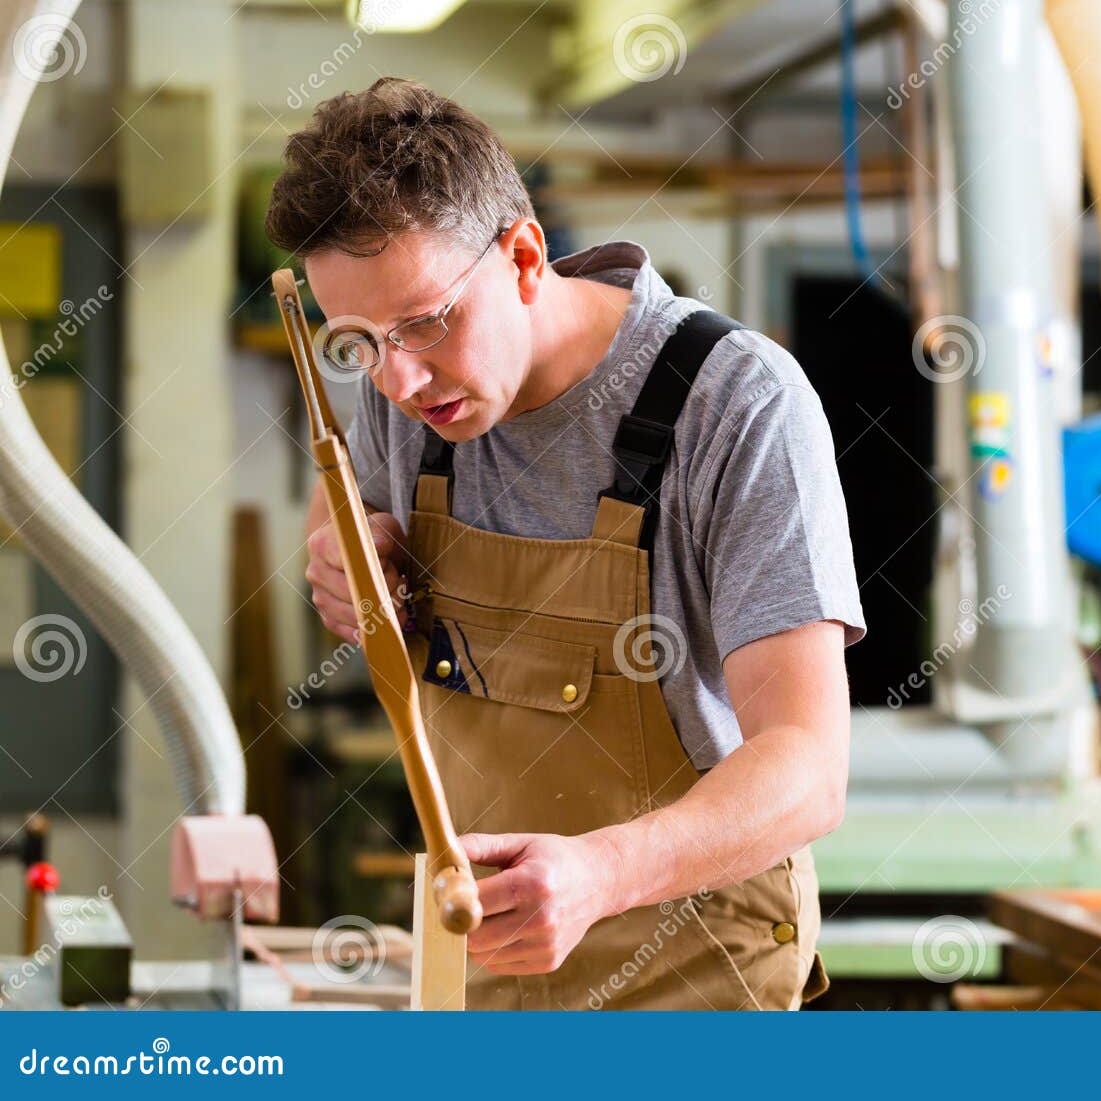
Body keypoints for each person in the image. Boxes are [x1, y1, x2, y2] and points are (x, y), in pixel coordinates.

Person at [264, 77, 864, 1010]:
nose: (401, 378)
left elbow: (808, 768)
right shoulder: (405, 390)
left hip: (685, 969)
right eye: (361, 341)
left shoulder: (736, 403)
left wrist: (603, 873)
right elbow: (338, 513)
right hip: (484, 960)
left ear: (525, 254)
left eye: (427, 321)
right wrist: (344, 556)